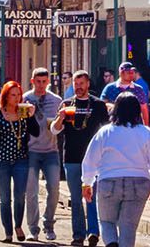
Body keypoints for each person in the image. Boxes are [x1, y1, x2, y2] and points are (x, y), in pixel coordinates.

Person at [80, 94, 150, 247]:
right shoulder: (146, 133)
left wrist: (87, 183)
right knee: (128, 226)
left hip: (109, 181)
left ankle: (112, 243)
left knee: (106, 221)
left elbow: (90, 159)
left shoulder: (105, 132)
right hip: (139, 182)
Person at [0, 78, 46, 241]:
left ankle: (18, 225)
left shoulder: (23, 111)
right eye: (13, 95)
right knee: (5, 198)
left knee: (20, 195)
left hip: (20, 159)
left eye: (19, 95)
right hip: (0, 161)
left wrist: (31, 116)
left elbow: (35, 132)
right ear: (6, 96)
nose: (17, 98)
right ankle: (8, 232)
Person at [56, 70, 111, 247]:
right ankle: (78, 234)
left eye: (81, 84)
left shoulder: (98, 105)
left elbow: (106, 131)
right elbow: (55, 130)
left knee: (92, 197)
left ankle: (93, 232)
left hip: (94, 158)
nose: (78, 87)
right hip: (71, 157)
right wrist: (60, 118)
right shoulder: (66, 104)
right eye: (75, 84)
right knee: (76, 197)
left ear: (88, 84)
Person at [24, 68, 66, 241]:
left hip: (51, 150)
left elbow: (59, 127)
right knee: (31, 192)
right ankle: (33, 229)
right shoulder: (25, 98)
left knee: (54, 189)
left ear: (48, 82)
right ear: (32, 81)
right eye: (38, 81)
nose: (41, 85)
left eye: (44, 82)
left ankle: (49, 223)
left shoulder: (57, 100)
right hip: (31, 151)